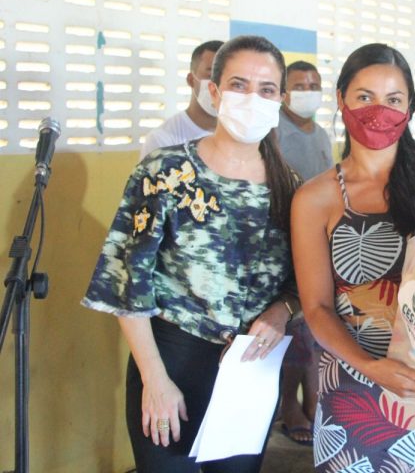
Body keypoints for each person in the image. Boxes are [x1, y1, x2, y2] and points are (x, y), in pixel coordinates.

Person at [82, 35, 300, 473]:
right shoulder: (165, 171)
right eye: (238, 85)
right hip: (171, 361)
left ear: (280, 100)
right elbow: (128, 282)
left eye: (266, 89)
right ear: (214, 92)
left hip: (250, 370)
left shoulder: (291, 187)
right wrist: (155, 380)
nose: (252, 98)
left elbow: (302, 283)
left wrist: (281, 312)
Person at [291, 43, 415, 472]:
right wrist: (372, 367)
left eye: (393, 99)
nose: (379, 111)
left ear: (410, 107)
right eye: (364, 96)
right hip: (352, 389)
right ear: (341, 100)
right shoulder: (315, 197)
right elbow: (316, 308)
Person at [274, 61, 332, 445]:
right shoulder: (275, 131)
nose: (308, 91)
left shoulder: (322, 134)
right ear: (283, 93)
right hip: (287, 239)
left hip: (319, 240)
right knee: (292, 330)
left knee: (313, 329)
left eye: (314, 85)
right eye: (299, 85)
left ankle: (312, 401)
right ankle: (288, 405)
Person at [139, 40, 224, 160]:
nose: (218, 86)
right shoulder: (162, 141)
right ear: (191, 80)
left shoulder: (241, 136)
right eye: (211, 76)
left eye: (225, 78)